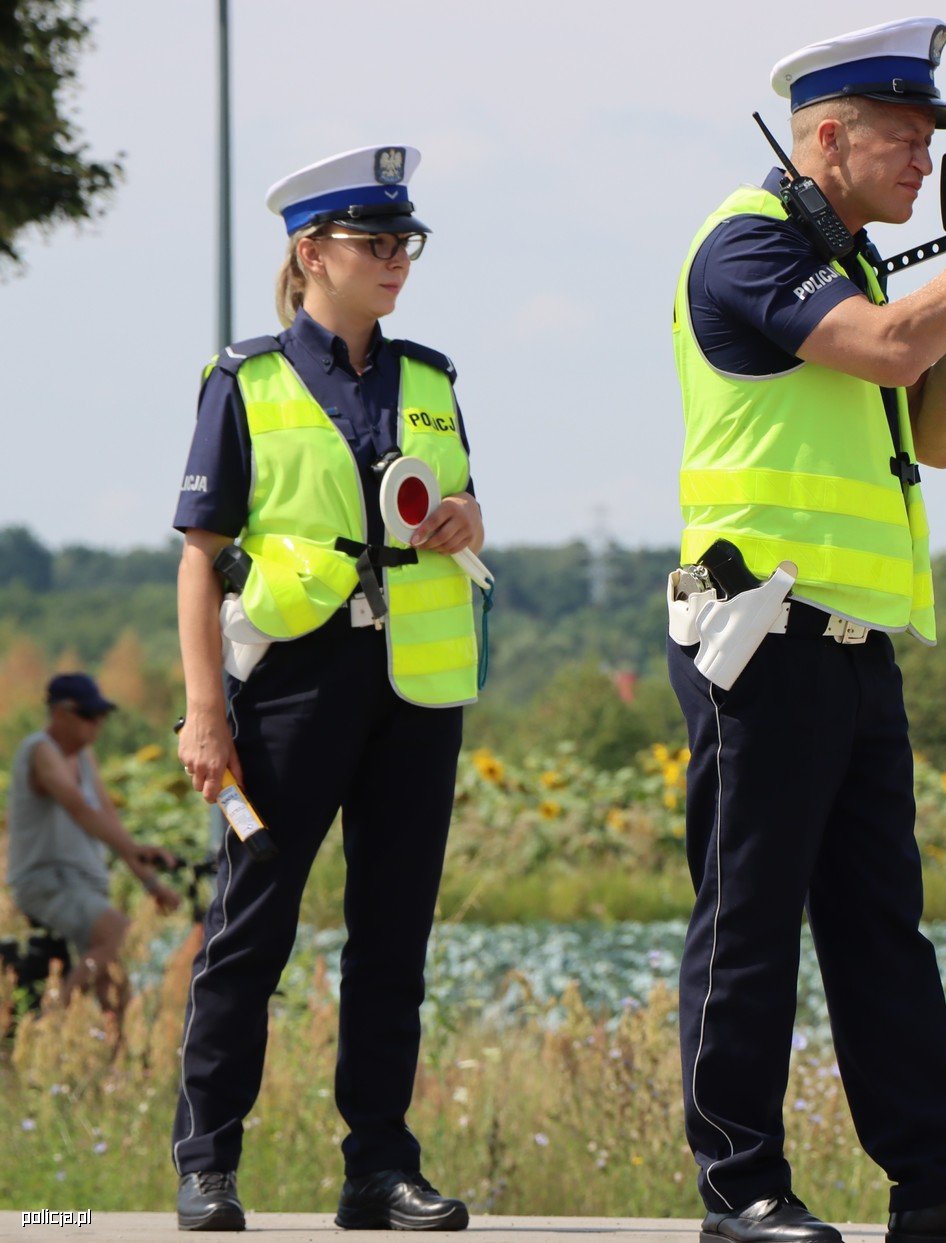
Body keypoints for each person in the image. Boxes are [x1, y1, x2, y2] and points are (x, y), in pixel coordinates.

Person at [666, 18, 946, 1243]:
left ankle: (941, 1186)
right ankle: (740, 1189)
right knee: (747, 923)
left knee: (878, 930)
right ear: (828, 136)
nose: (926, 162)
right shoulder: (745, 245)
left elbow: (939, 425)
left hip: (853, 643)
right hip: (761, 639)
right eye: (904, 138)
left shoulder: (851, 264)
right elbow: (896, 345)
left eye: (931, 138)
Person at [171, 145, 484, 1233]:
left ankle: (379, 1169)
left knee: (392, 940)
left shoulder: (435, 377)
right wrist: (206, 710)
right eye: (376, 242)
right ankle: (207, 1163)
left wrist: (463, 521)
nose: (398, 259)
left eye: (407, 242)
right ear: (312, 253)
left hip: (413, 692)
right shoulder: (245, 380)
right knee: (250, 934)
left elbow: (464, 510)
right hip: (289, 690)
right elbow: (199, 558)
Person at [6, 673, 180, 1021]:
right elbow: (79, 809)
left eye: (101, 715)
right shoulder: (40, 750)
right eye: (89, 715)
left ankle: (116, 1064)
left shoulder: (84, 758)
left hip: (84, 882)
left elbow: (108, 819)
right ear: (60, 713)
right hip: (47, 880)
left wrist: (152, 883)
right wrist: (135, 848)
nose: (98, 725)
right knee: (116, 933)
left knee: (114, 976)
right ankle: (48, 1030)